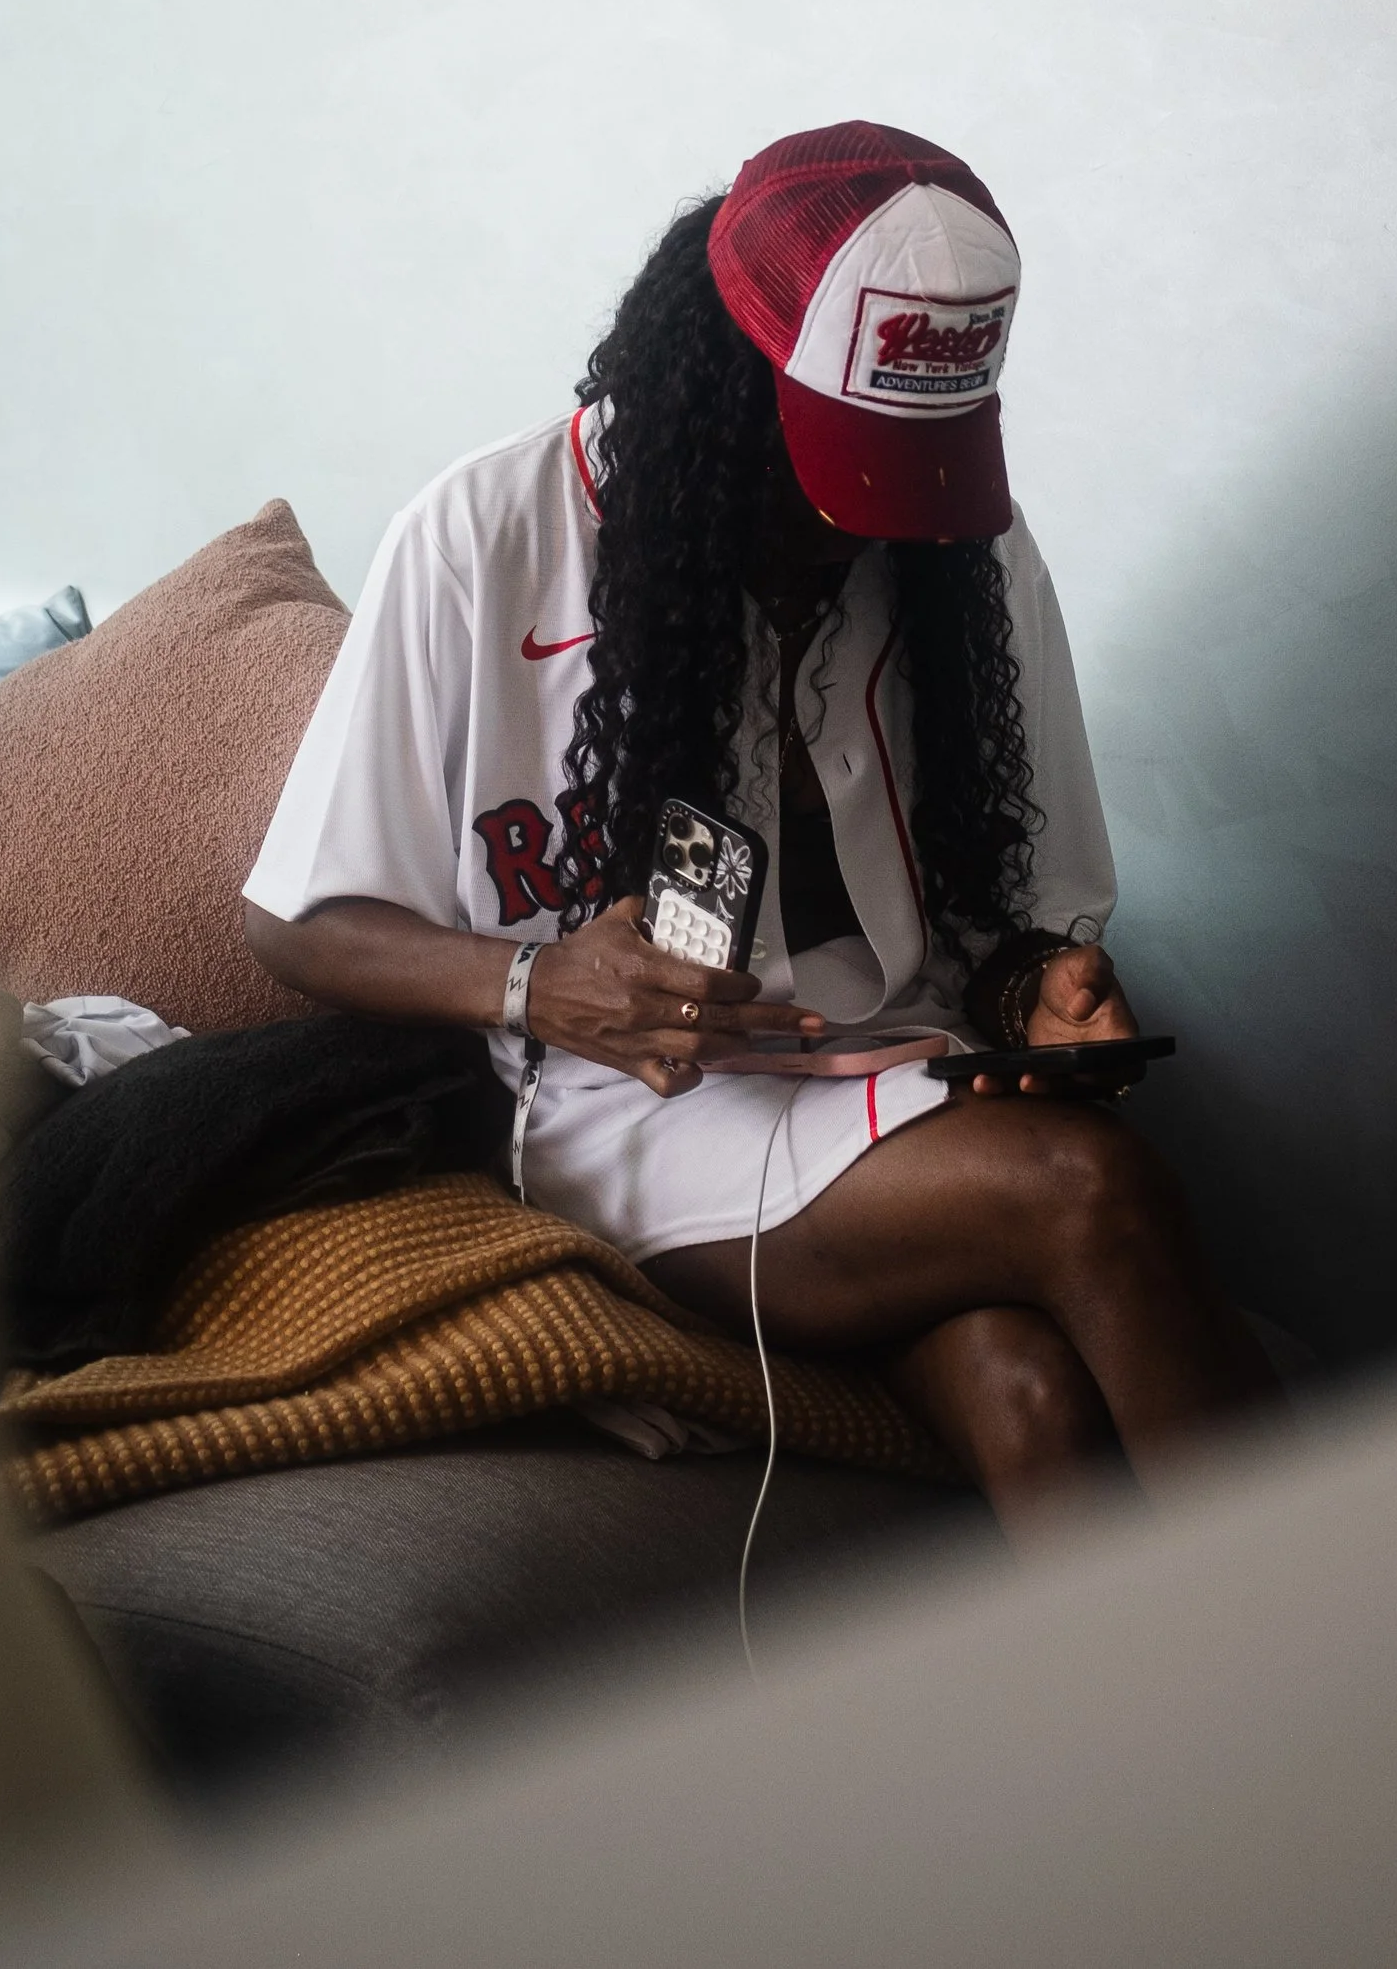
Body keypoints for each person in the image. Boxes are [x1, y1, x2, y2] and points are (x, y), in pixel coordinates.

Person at [245, 122, 1275, 1525]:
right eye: (842, 464)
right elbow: (298, 922)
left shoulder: (958, 551)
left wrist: (1041, 986)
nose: (872, 521)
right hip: (644, 1114)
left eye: (911, 467)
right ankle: (1370, 1657)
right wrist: (540, 982)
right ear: (725, 384)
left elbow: (1023, 911)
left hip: (917, 1078)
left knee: (1030, 1402)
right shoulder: (481, 536)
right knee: (1088, 1190)